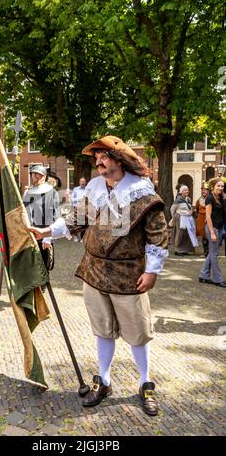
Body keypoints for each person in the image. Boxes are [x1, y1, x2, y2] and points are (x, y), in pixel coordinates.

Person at [29, 135, 168, 416]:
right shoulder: (94, 190)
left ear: (118, 159)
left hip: (129, 274)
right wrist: (46, 232)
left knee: (137, 333)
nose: (98, 162)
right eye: (96, 158)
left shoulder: (143, 195)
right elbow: (75, 220)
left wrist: (152, 271)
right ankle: (103, 380)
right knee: (102, 330)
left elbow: (157, 236)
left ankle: (145, 383)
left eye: (102, 156)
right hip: (94, 270)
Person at [23, 165, 61, 271]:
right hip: (30, 235)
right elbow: (24, 212)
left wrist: (48, 237)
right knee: (30, 268)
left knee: (43, 269)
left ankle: (42, 287)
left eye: (36, 174)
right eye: (32, 174)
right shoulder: (28, 192)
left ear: (43, 177)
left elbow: (55, 216)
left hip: (44, 235)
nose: (33, 176)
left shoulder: (52, 193)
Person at [199, 178, 226, 288]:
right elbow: (208, 217)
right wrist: (212, 233)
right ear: (213, 186)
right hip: (212, 228)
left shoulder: (220, 197)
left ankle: (203, 275)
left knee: (212, 252)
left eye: (222, 186)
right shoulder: (209, 198)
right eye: (218, 186)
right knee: (214, 254)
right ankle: (217, 279)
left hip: (219, 227)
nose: (220, 188)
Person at [170, 185, 198, 256]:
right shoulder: (178, 200)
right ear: (181, 191)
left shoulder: (188, 199)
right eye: (185, 190)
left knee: (187, 234)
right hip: (180, 218)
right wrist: (175, 217)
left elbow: (189, 207)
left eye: (187, 190)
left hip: (188, 218)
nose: (187, 191)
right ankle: (178, 250)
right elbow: (172, 209)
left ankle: (185, 250)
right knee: (180, 234)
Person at [195, 183, 209, 257]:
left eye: (206, 190)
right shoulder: (199, 200)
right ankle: (205, 252)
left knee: (209, 236)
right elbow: (197, 210)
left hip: (209, 219)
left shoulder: (211, 199)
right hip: (201, 219)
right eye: (203, 190)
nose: (204, 191)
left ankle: (210, 252)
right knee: (204, 237)